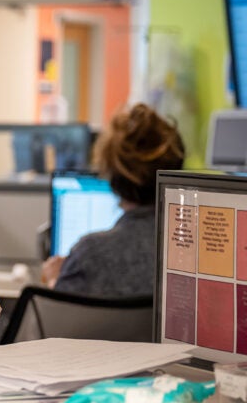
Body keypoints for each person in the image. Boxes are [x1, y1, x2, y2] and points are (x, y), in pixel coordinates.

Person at [40, 102, 184, 297]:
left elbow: (61, 319)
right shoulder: (191, 253)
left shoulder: (89, 255)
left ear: (112, 177)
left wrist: (54, 280)